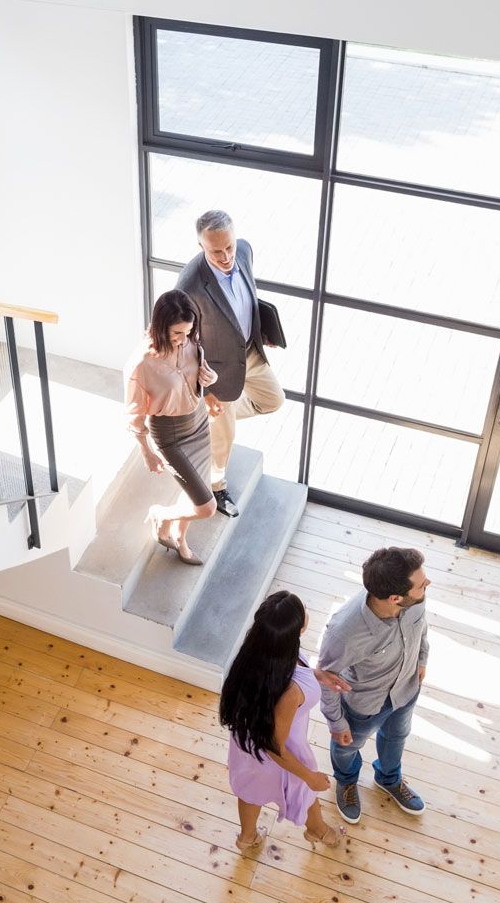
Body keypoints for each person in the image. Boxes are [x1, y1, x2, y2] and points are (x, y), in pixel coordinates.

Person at [220, 590, 353, 850]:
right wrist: (309, 776)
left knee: (250, 791)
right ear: (299, 630)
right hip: (283, 753)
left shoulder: (256, 654)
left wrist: (314, 675)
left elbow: (285, 672)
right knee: (306, 793)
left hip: (247, 746)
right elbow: (275, 748)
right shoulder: (290, 691)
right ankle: (319, 831)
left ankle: (247, 838)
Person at [173, 210, 283, 518]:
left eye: (229, 247)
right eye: (215, 251)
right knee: (224, 440)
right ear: (201, 246)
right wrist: (206, 393)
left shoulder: (244, 251)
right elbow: (183, 346)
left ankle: (214, 420)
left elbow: (243, 301)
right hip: (216, 370)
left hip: (250, 352)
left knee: (273, 400)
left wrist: (261, 329)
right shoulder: (189, 287)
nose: (225, 257)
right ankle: (217, 486)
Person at [317, 546, 432, 825]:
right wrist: (336, 723)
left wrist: (422, 660)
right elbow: (327, 679)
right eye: (421, 583)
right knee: (347, 747)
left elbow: (422, 629)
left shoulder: (414, 599)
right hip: (365, 704)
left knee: (397, 737)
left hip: (406, 690)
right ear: (394, 598)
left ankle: (389, 778)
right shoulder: (345, 632)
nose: (427, 584)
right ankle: (345, 782)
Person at [124, 289, 221, 564]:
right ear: (160, 327)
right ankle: (160, 514)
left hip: (199, 423)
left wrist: (210, 377)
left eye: (188, 332)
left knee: (192, 489)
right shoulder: (142, 364)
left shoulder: (192, 343)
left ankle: (179, 536)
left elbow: (195, 379)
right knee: (206, 507)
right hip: (170, 435)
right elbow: (134, 415)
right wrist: (146, 451)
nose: (183, 340)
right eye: (177, 333)